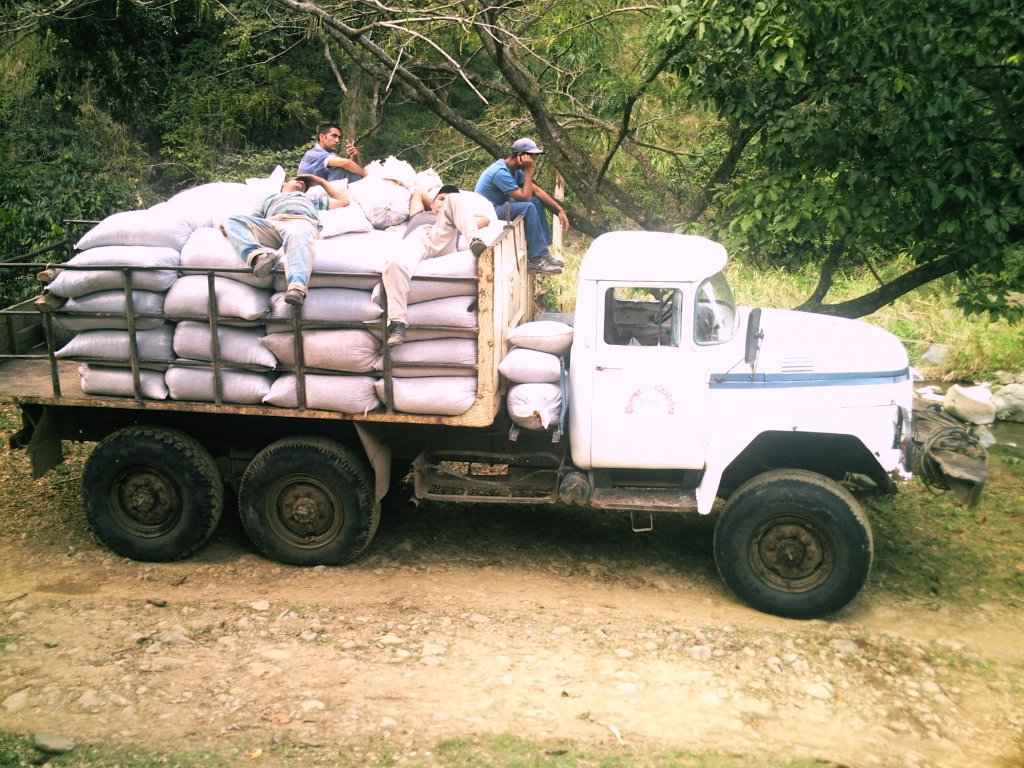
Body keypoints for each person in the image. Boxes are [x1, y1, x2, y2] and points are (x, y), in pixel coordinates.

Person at [382, 185, 492, 346]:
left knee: (455, 199)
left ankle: (474, 241)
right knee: (395, 264)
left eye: (446, 201)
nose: (443, 202)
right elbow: (418, 193)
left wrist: (450, 204)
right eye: (440, 199)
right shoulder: (419, 215)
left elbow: (485, 219)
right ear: (431, 203)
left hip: (443, 237)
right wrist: (434, 202)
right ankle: (397, 323)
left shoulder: (457, 218)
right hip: (418, 238)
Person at [222, 174, 349, 308]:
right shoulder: (269, 198)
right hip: (271, 225)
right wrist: (232, 229)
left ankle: (296, 288)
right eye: (298, 179)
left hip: (299, 221)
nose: (302, 183)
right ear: (284, 183)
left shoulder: (309, 198)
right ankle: (259, 258)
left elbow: (343, 201)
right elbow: (253, 218)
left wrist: (321, 181)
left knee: (297, 234)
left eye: (305, 184)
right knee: (231, 220)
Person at [474, 137, 569, 274]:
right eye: (532, 158)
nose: (533, 162)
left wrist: (559, 210)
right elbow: (525, 198)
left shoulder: (515, 171)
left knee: (535, 202)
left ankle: (544, 253)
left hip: (499, 208)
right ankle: (536, 260)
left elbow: (536, 191)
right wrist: (528, 170)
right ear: (520, 156)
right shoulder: (500, 172)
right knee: (529, 206)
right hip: (487, 213)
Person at [298, 124, 366, 185]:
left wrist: (354, 155)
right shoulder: (314, 153)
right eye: (334, 136)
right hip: (309, 194)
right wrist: (367, 177)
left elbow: (354, 169)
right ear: (322, 137)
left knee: (348, 169)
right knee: (341, 169)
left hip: (320, 192)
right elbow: (346, 163)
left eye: (339, 137)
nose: (337, 141)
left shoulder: (330, 154)